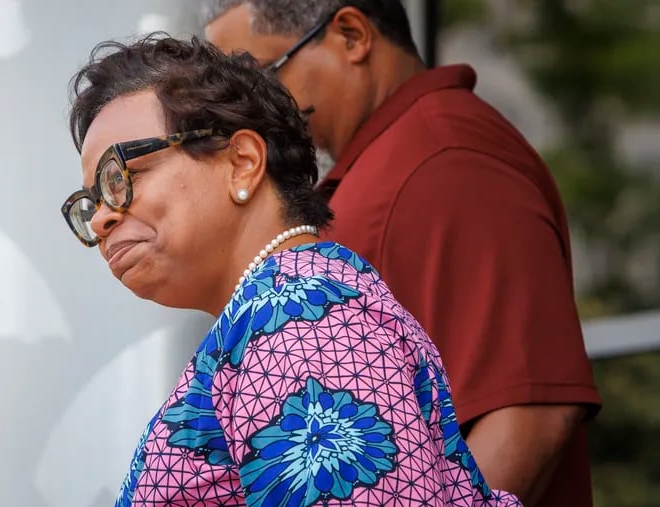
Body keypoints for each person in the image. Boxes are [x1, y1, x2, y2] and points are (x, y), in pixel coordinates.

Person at [61, 33, 521, 506]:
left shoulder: (305, 326)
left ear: (242, 163)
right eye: (91, 202)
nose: (101, 218)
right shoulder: (286, 316)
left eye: (119, 177)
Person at [202, 2, 602, 505]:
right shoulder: (404, 160)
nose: (253, 117)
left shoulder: (447, 161)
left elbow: (529, 412)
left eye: (263, 79)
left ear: (350, 35)